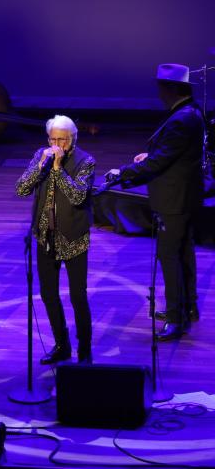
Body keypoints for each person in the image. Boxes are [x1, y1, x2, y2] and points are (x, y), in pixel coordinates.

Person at [109, 63, 204, 341]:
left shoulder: (181, 119)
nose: (158, 93)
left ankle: (176, 319)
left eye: (161, 87)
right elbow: (168, 155)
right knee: (183, 254)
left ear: (172, 89)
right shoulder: (191, 113)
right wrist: (148, 158)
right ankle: (187, 309)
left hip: (174, 201)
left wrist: (123, 172)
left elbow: (162, 161)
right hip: (185, 197)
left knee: (170, 258)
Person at [16, 115, 96, 364]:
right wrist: (40, 166)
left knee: (77, 296)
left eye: (63, 139)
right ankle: (62, 344)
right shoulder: (42, 155)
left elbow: (77, 196)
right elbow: (21, 189)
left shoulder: (86, 162)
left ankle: (85, 350)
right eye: (53, 139)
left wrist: (59, 170)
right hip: (45, 238)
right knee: (48, 294)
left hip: (73, 237)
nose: (57, 144)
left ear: (72, 139)